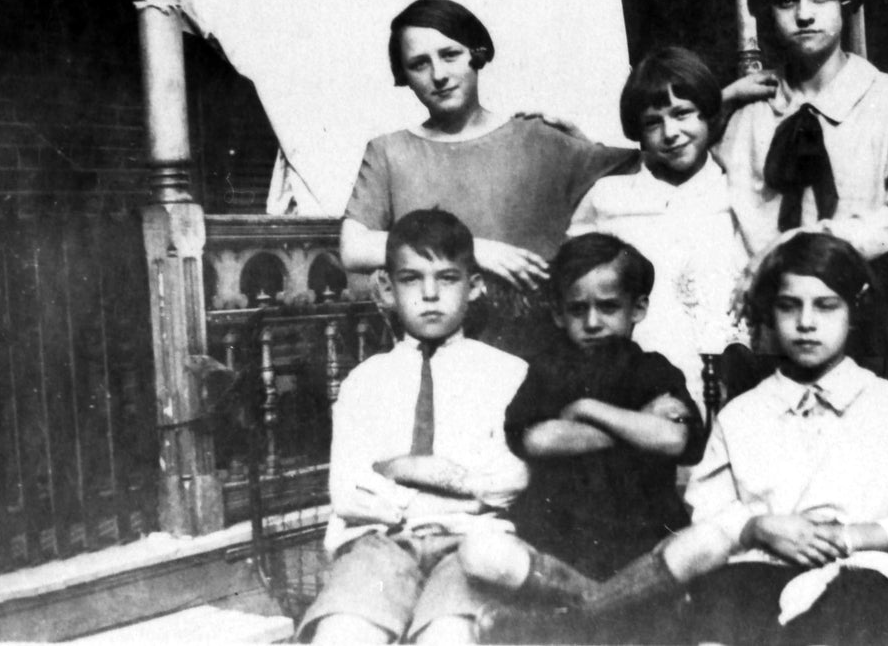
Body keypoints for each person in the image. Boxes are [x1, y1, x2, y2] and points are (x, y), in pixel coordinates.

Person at [683, 232, 888, 645]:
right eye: (788, 306)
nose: (806, 323)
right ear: (769, 315)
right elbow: (705, 510)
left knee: (862, 612)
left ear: (853, 312)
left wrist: (852, 536)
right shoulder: (742, 415)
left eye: (826, 305)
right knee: (720, 609)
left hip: (863, 579)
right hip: (761, 572)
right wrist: (757, 527)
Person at [339, 0, 638, 356]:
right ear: (405, 76)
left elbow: (662, 159)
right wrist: (472, 249)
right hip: (437, 358)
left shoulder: (537, 139)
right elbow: (353, 248)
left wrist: (584, 144)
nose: (438, 74)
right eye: (419, 64)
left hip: (539, 355)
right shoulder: (390, 152)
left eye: (450, 54)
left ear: (477, 54)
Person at [297, 209, 530, 644]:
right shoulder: (364, 382)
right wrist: (459, 490)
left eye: (446, 278)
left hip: (469, 546)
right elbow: (347, 491)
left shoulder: (508, 376)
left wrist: (405, 468)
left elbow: (513, 480)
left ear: (475, 284)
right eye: (411, 278)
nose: (429, 294)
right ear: (386, 287)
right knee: (344, 633)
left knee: (448, 636)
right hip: (380, 546)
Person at [457, 233, 702, 643]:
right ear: (557, 314)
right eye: (577, 309)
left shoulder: (654, 370)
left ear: (637, 307)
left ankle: (578, 617)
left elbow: (676, 440)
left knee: (701, 545)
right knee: (482, 551)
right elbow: (537, 439)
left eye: (608, 307)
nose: (592, 323)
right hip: (560, 540)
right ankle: (609, 608)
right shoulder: (547, 370)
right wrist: (637, 425)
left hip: (641, 535)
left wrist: (588, 411)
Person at [719, 0, 888, 265]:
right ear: (769, 12)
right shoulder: (750, 111)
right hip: (760, 303)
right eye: (787, 1)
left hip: (859, 296)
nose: (804, 15)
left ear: (844, 4)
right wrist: (721, 101)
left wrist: (801, 247)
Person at [567, 47, 747, 415]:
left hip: (731, 376)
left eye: (682, 114)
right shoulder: (609, 198)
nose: (670, 133)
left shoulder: (739, 190)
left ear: (709, 115)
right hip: (638, 384)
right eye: (653, 122)